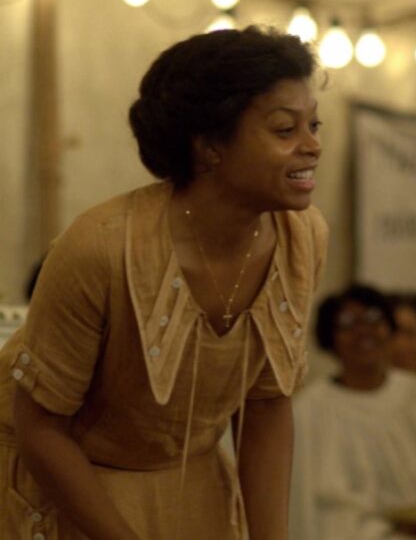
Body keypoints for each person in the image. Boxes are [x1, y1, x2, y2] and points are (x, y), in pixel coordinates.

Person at [0, 26, 327, 539]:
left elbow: (266, 403)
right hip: (69, 492)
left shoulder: (302, 236)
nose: (313, 147)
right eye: (286, 130)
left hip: (191, 489)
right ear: (210, 146)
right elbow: (41, 430)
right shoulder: (99, 248)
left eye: (314, 124)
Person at [290, 284, 416, 540]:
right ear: (329, 338)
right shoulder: (310, 410)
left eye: (373, 319)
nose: (363, 332)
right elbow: (308, 505)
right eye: (347, 323)